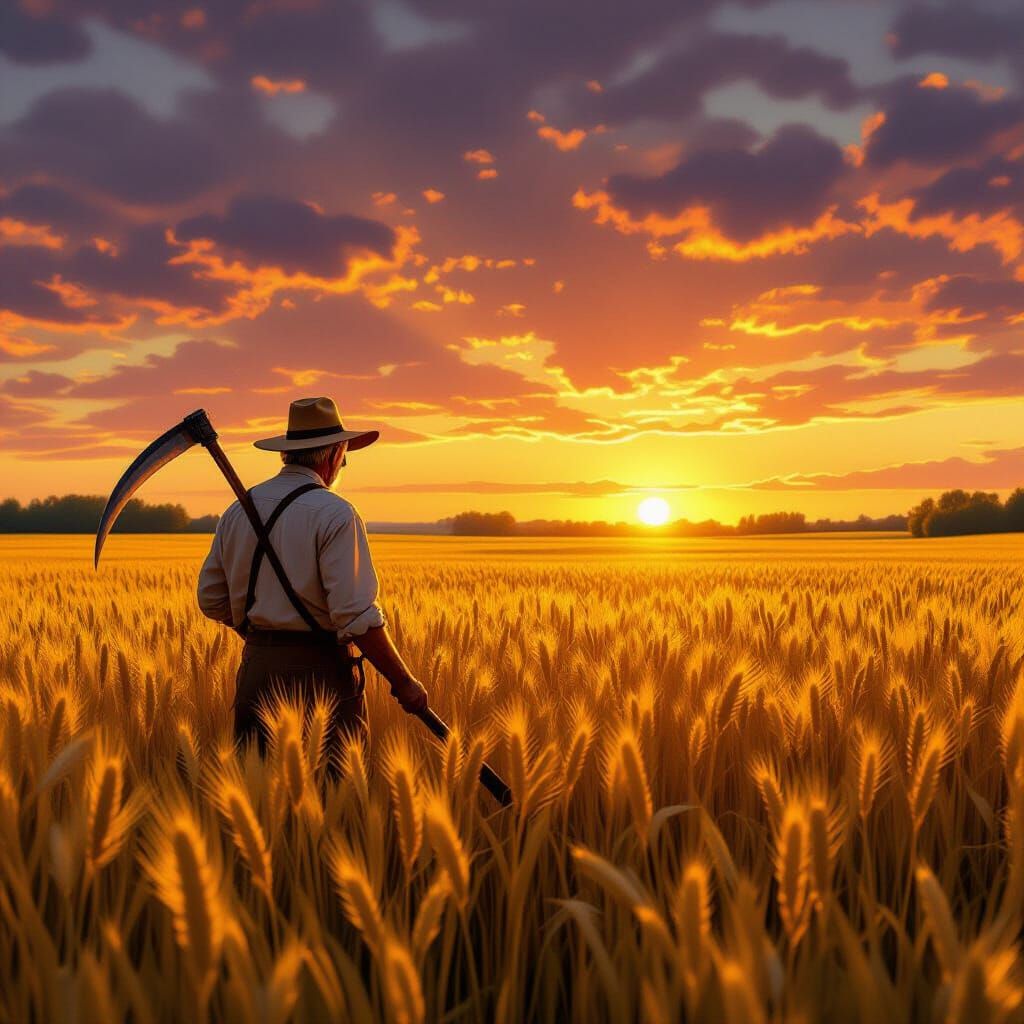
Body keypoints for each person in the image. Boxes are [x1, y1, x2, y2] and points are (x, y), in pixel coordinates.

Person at [196, 396, 428, 757]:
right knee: (331, 798)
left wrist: (259, 632)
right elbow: (355, 617)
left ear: (287, 453)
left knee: (261, 800)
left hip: (256, 672)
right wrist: (404, 682)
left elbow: (211, 599)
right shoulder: (335, 513)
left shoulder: (239, 509)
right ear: (334, 453)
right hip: (320, 680)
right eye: (346, 453)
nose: (345, 462)